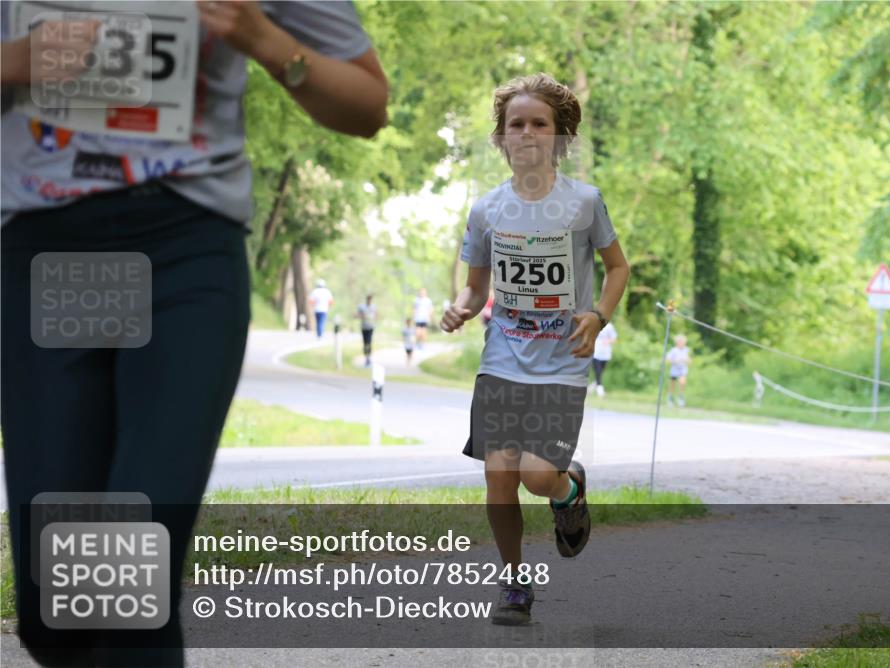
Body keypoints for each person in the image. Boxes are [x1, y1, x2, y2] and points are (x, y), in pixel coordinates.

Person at [0, 2, 387, 665]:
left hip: (185, 249)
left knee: (127, 576)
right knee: (55, 614)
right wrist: (18, 63)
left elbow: (367, 104)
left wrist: (265, 40)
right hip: (53, 253)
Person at [441, 73, 629, 626]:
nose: (526, 133)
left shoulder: (584, 203)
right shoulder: (487, 210)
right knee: (499, 476)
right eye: (514, 124)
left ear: (560, 138)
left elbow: (618, 268)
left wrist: (598, 315)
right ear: (500, 139)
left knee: (534, 476)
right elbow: (476, 288)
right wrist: (461, 307)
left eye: (538, 124)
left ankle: (567, 488)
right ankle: (515, 583)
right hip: (502, 359)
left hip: (561, 365)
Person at [591, 321, 618, 397]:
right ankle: (600, 389)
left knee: (601, 371)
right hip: (595, 353)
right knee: (598, 370)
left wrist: (608, 341)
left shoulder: (609, 326)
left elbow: (614, 338)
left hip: (605, 353)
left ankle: (594, 385)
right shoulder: (594, 324)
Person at [666, 335, 691, 407]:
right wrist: (674, 361)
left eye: (682, 342)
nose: (681, 343)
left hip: (683, 369)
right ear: (677, 343)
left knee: (682, 382)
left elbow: (689, 360)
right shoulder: (673, 350)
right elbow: (668, 359)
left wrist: (686, 360)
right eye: (679, 342)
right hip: (674, 369)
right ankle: (670, 398)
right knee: (672, 384)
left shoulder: (687, 350)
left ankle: (681, 397)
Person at [357, 293, 377, 366]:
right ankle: (366, 357)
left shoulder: (374, 307)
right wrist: (362, 315)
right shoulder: (362, 307)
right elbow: (357, 315)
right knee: (365, 343)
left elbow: (376, 315)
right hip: (364, 327)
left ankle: (369, 357)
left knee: (369, 342)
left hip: (371, 327)